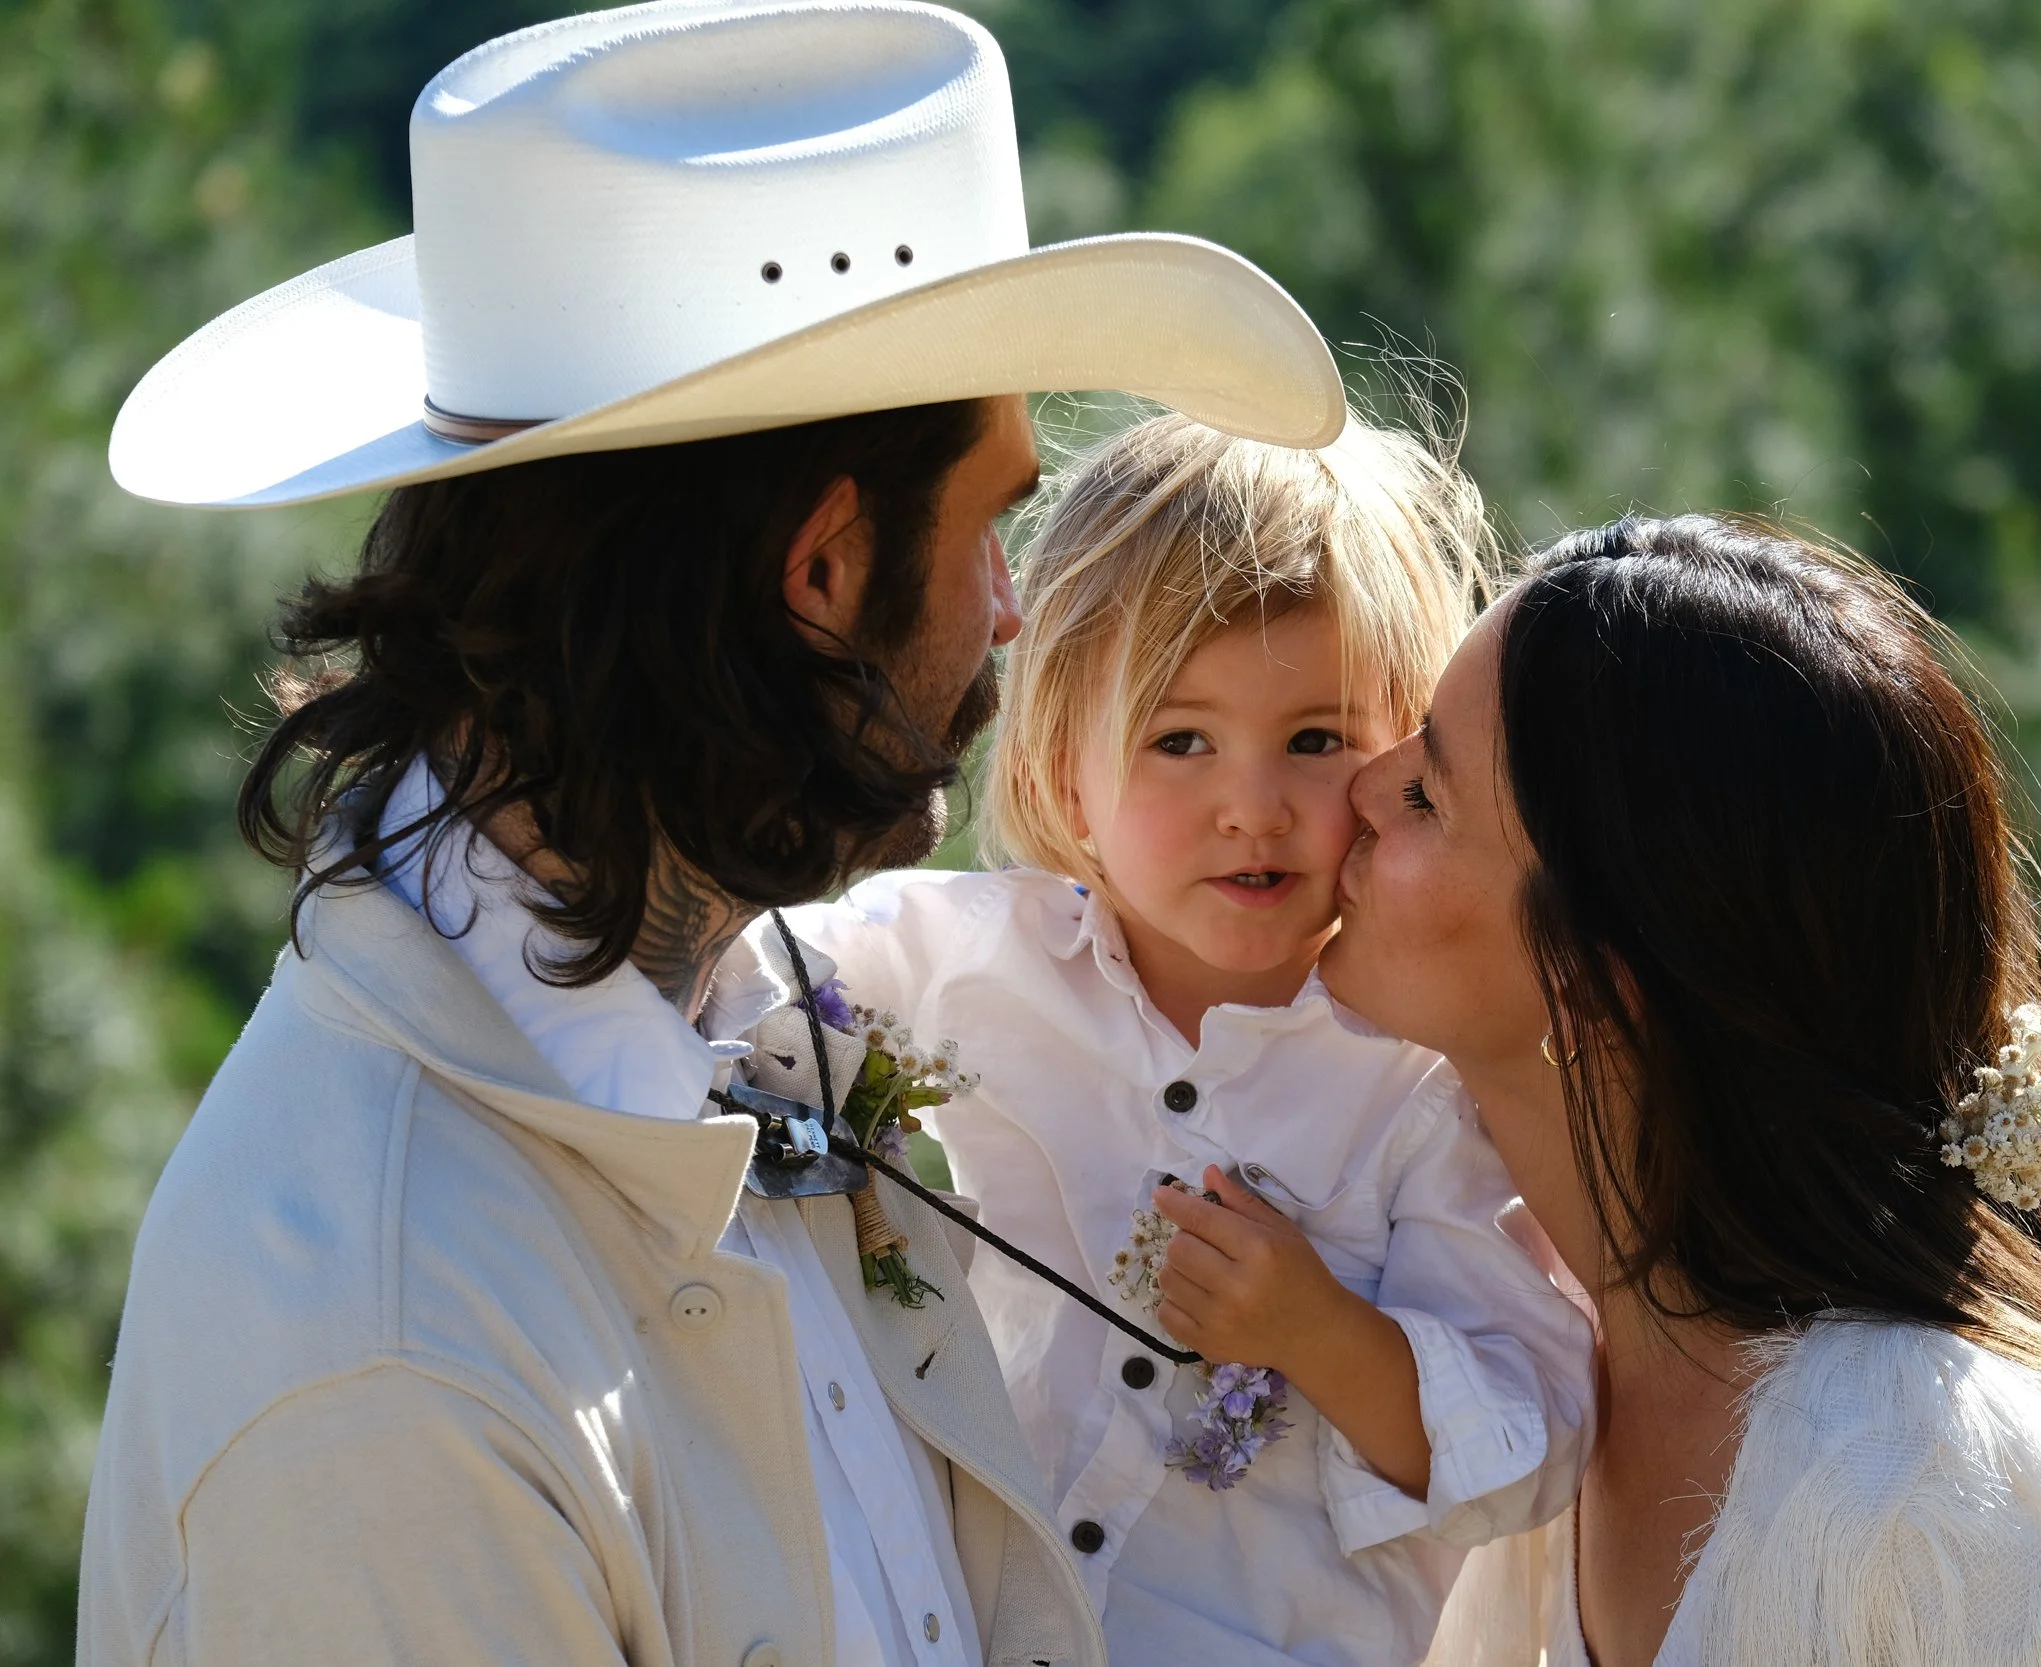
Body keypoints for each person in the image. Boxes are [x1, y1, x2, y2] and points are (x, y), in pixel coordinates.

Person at [77, 5, 1344, 1665]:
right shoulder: (386, 1379)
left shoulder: (752, 993)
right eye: (991, 522)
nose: (1010, 605)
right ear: (822, 572)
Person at [1322, 514, 2041, 1667]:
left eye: (1427, 791)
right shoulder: (1531, 1416)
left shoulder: (1954, 1501)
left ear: (1594, 990)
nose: (1359, 786)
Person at [774, 412, 1595, 1667]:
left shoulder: (1415, 1081)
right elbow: (749, 982)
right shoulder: (984, 963)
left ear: (1393, 769)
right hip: (978, 1627)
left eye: (1315, 741)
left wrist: (1323, 1334)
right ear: (1063, 777)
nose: (1252, 806)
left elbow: (1524, 1441)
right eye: (1179, 741)